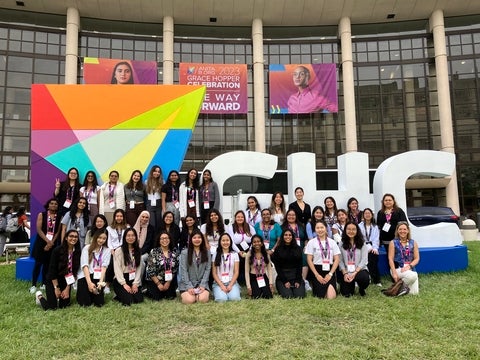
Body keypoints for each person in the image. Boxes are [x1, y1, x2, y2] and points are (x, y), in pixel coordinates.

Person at [34, 230, 81, 310]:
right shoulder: (57, 250)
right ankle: (39, 296)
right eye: (71, 236)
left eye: (76, 237)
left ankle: (59, 297)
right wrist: (56, 288)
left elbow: (74, 272)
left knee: (64, 305)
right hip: (53, 279)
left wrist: (67, 288)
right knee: (52, 307)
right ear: (66, 238)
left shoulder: (78, 252)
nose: (73, 238)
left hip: (66, 280)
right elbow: (52, 270)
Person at [30, 199, 61, 294]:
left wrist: (51, 243)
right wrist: (47, 241)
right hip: (41, 243)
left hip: (52, 244)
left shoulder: (60, 216)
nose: (54, 205)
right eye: (51, 203)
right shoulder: (42, 215)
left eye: (56, 204)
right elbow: (39, 229)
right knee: (38, 265)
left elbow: (58, 232)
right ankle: (34, 285)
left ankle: (44, 283)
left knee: (47, 265)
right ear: (48, 205)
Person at [305, 220, 340, 299]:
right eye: (317, 228)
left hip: (329, 271)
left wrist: (330, 274)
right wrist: (317, 275)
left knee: (331, 297)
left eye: (322, 227)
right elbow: (309, 260)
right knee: (320, 296)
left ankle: (334, 284)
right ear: (315, 229)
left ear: (326, 229)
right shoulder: (311, 242)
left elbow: (337, 259)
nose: (320, 230)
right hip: (317, 271)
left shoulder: (332, 242)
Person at [76, 229, 111, 307]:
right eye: (99, 237)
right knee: (85, 303)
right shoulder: (87, 248)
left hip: (98, 276)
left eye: (104, 238)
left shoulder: (107, 250)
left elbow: (104, 267)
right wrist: (89, 283)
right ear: (95, 237)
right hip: (86, 276)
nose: (101, 240)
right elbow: (85, 266)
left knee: (99, 303)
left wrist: (101, 282)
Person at [112, 228, 144, 305]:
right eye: (128, 235)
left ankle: (123, 294)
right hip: (121, 279)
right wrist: (124, 284)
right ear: (125, 237)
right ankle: (118, 294)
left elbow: (139, 268)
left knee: (138, 299)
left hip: (133, 278)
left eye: (133, 236)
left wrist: (135, 283)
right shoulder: (119, 250)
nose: (130, 238)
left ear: (136, 237)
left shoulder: (137, 250)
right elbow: (117, 269)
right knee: (128, 301)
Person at [178, 230, 211, 304]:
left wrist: (202, 285)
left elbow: (207, 269)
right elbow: (184, 271)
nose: (197, 239)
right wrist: (189, 286)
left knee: (202, 299)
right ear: (190, 240)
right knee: (189, 300)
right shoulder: (184, 253)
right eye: (194, 238)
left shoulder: (207, 252)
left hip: (202, 283)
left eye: (199, 237)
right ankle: (191, 296)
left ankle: (198, 295)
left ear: (202, 239)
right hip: (187, 283)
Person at [271, 229, 306, 299]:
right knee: (288, 296)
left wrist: (298, 280)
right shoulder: (278, 249)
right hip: (283, 277)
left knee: (300, 296)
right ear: (282, 236)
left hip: (295, 275)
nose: (288, 237)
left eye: (290, 235)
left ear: (292, 237)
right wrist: (285, 281)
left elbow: (299, 266)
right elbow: (278, 268)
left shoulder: (298, 248)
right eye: (286, 235)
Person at [145, 231, 179, 300]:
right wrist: (158, 284)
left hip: (168, 280)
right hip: (155, 280)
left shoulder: (174, 251)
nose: (164, 240)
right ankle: (147, 291)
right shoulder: (154, 251)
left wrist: (168, 282)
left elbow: (175, 269)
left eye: (166, 238)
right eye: (162, 238)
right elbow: (150, 270)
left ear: (170, 239)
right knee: (157, 298)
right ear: (159, 240)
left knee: (170, 297)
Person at [338, 222, 370, 297]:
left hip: (359, 271)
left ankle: (361, 288)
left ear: (357, 231)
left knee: (364, 278)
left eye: (353, 229)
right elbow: (340, 260)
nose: (351, 231)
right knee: (346, 294)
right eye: (348, 229)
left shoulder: (362, 243)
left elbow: (364, 260)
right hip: (346, 271)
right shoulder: (341, 244)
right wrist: (345, 273)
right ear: (345, 230)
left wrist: (355, 272)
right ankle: (350, 286)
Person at [388, 222, 420, 295]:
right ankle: (397, 288)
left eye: (405, 229)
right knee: (414, 276)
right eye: (400, 229)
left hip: (410, 268)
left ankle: (398, 287)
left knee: (414, 293)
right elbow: (390, 259)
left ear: (408, 231)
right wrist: (394, 273)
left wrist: (409, 266)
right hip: (398, 268)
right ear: (397, 231)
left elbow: (417, 258)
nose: (402, 231)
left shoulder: (413, 242)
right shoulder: (393, 242)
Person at [281, 209, 309, 288]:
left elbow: (306, 238)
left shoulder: (301, 226)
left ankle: (303, 280)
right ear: (286, 216)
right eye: (289, 215)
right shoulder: (282, 227)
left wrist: (306, 247)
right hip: (289, 247)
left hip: (302, 247)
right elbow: (281, 239)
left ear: (296, 216)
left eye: (293, 215)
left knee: (304, 257)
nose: (291, 217)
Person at [211, 233, 241, 302]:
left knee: (235, 299)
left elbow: (236, 272)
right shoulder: (215, 254)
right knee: (222, 299)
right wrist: (221, 285)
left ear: (230, 242)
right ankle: (217, 291)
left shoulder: (235, 254)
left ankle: (235, 290)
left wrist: (230, 285)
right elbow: (214, 273)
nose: (225, 242)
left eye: (227, 240)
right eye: (223, 240)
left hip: (231, 282)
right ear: (220, 242)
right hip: (219, 283)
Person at [245, 235, 274, 299]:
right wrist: (248, 286)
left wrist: (270, 283)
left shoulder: (266, 254)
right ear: (252, 244)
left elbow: (269, 269)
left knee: (268, 296)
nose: (256, 243)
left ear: (262, 243)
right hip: (253, 277)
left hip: (263, 276)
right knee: (256, 296)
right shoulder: (249, 254)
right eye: (254, 242)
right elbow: (246, 271)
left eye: (258, 241)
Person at [358, 208, 381, 286]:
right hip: (362, 246)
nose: (367, 215)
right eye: (365, 213)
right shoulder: (359, 226)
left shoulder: (375, 226)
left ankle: (377, 280)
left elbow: (376, 239)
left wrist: (374, 248)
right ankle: (368, 277)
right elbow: (359, 238)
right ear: (363, 215)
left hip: (372, 246)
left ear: (372, 215)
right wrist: (366, 247)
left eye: (369, 213)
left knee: (374, 256)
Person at [145, 165, 164, 232]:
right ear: (152, 172)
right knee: (151, 224)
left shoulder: (162, 182)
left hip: (159, 203)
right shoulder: (146, 182)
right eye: (155, 171)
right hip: (150, 204)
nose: (157, 173)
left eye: (158, 172)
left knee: (159, 223)